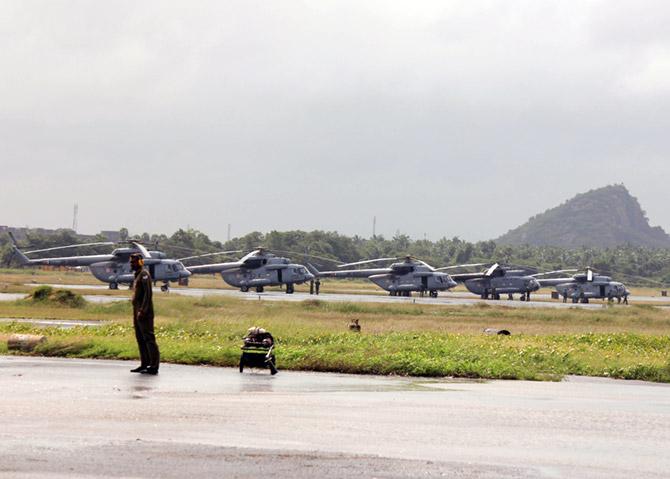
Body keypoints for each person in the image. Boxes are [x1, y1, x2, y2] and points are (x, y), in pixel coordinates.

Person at [130, 253, 160, 374]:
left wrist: (143, 310)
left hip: (144, 312)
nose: (131, 264)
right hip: (137, 312)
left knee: (149, 338)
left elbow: (148, 294)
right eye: (131, 262)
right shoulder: (137, 275)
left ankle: (154, 365)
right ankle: (144, 364)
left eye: (134, 262)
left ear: (141, 262)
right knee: (140, 338)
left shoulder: (144, 275)